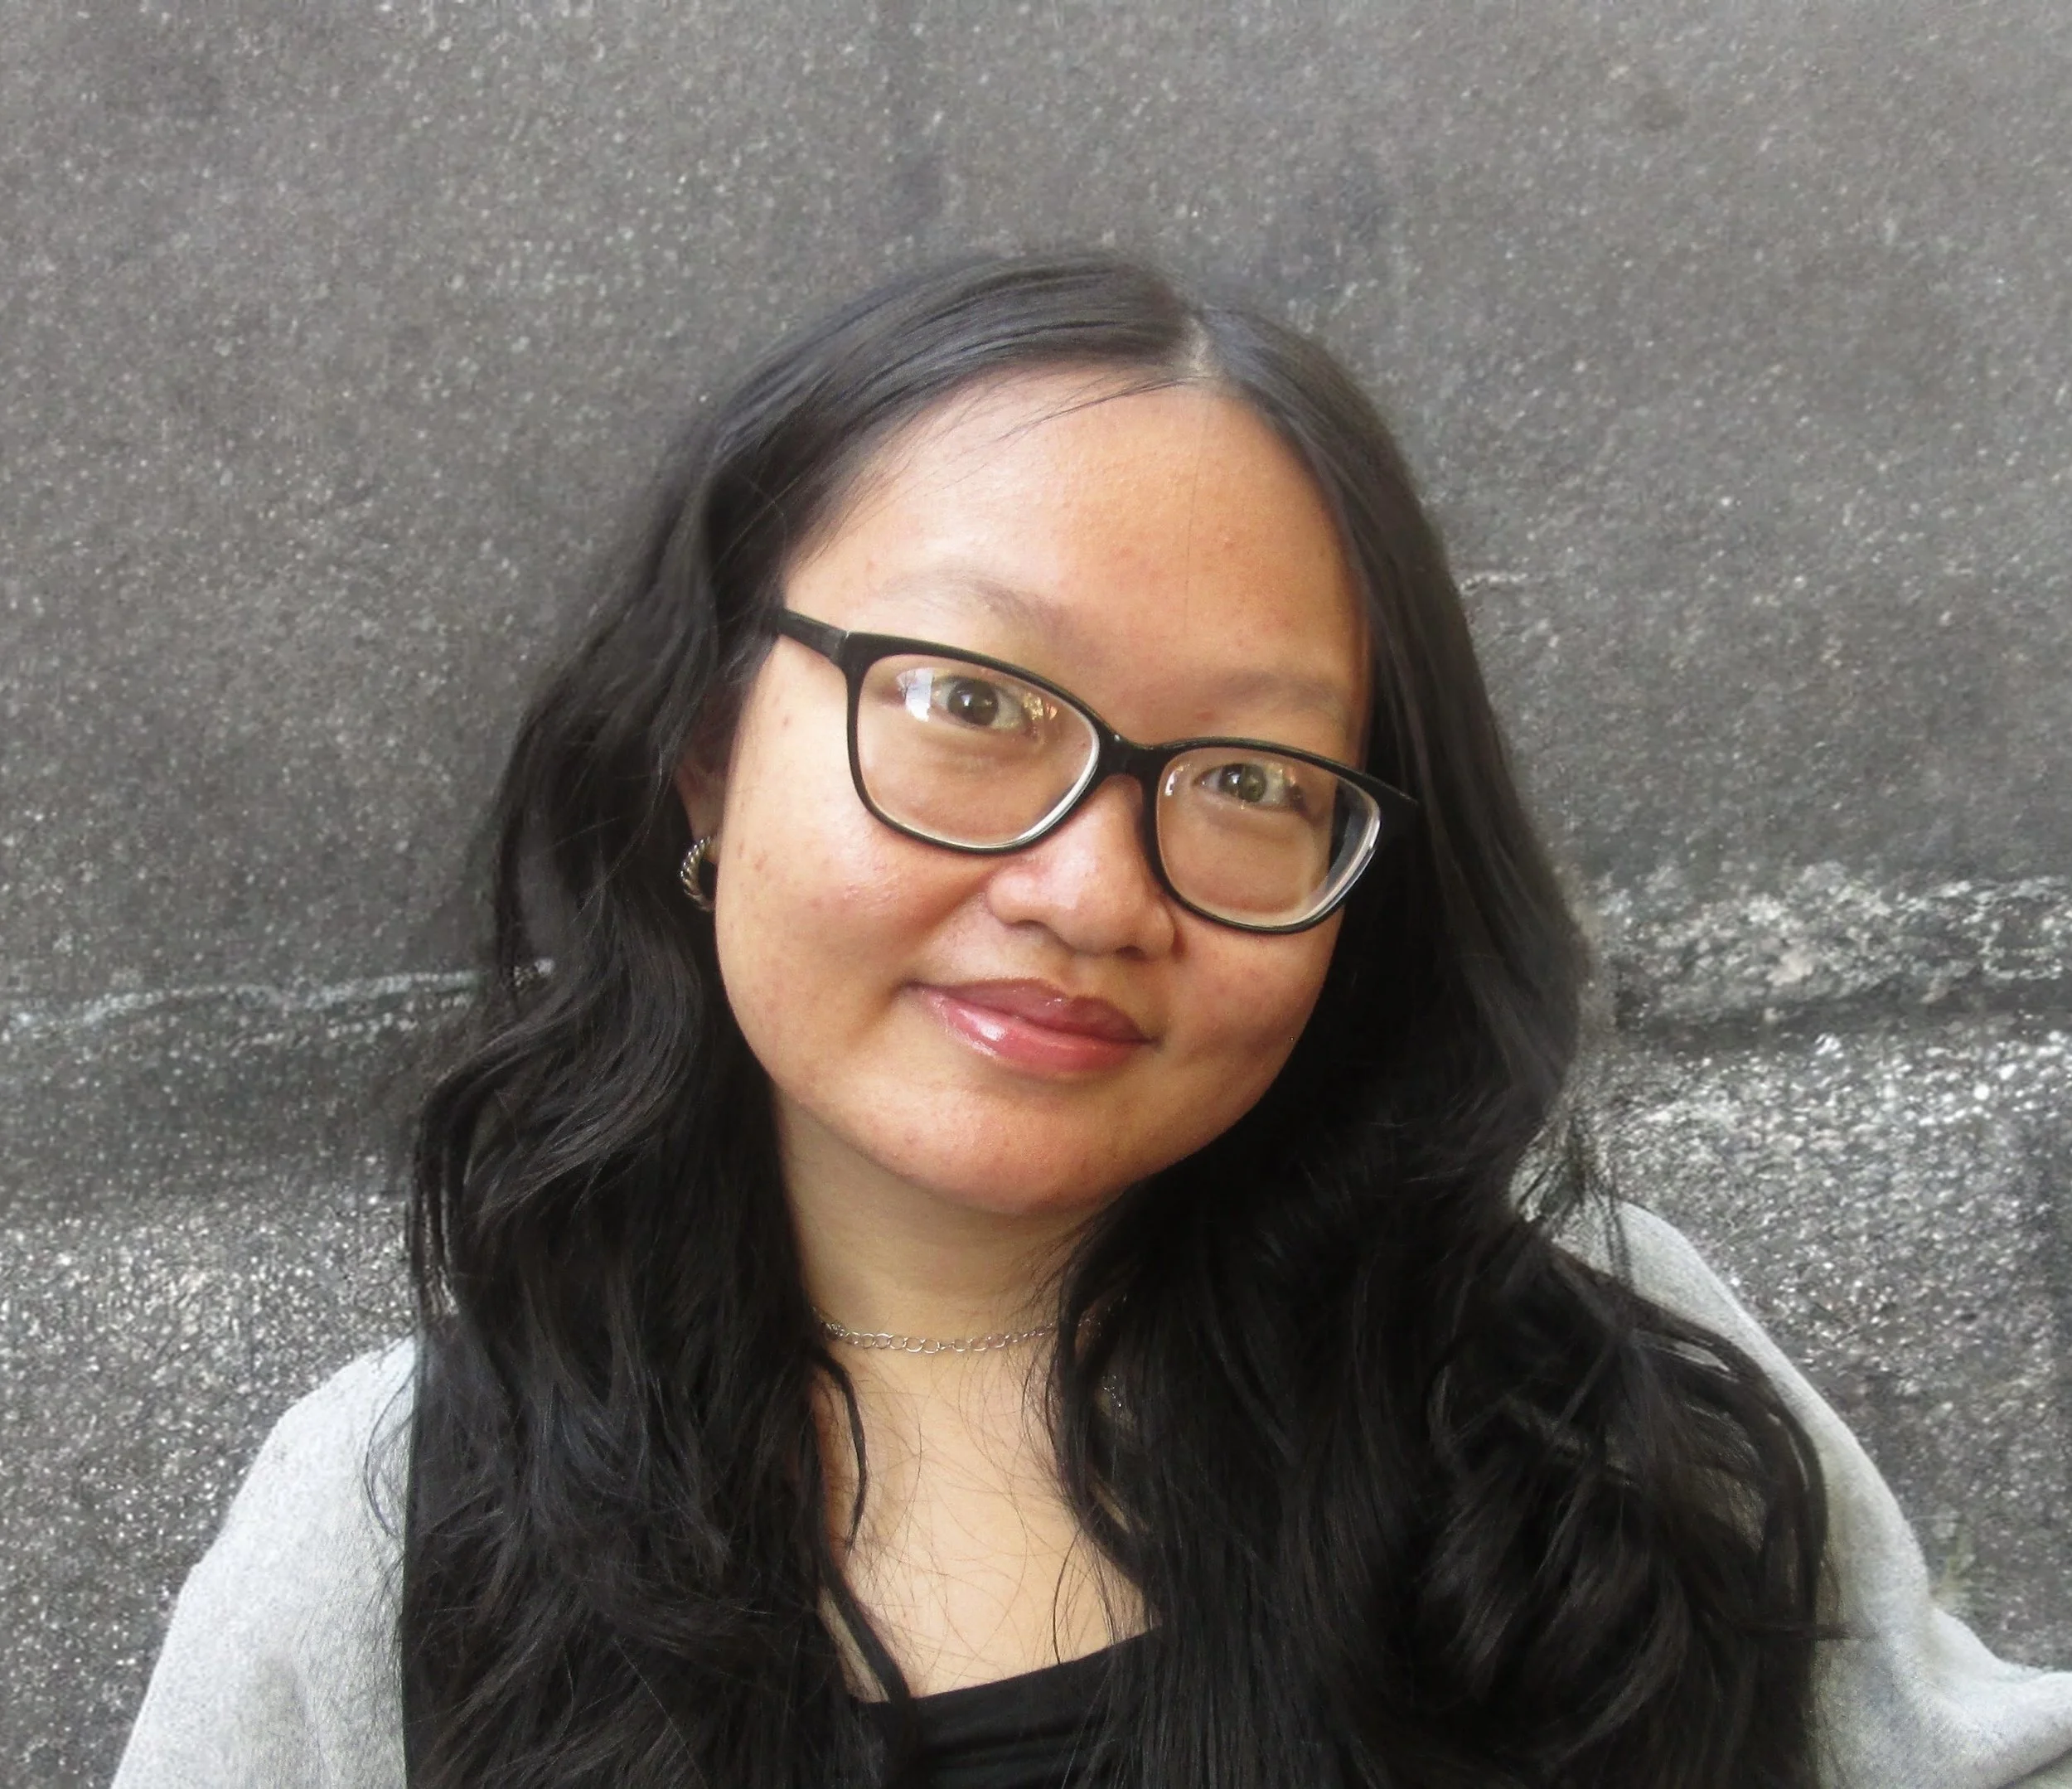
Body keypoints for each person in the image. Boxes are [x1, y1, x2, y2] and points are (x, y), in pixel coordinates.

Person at [113, 253, 2072, 1789]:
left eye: (1246, 777)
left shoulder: (1585, 1389)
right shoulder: (393, 1526)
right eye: (969, 702)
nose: (1088, 891)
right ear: (706, 751)